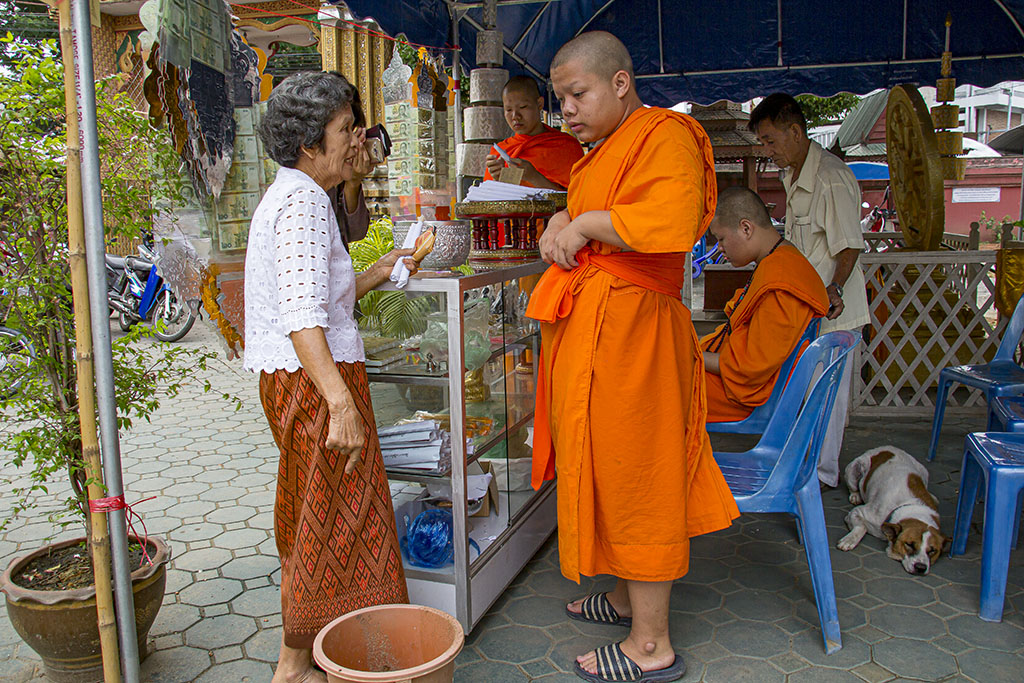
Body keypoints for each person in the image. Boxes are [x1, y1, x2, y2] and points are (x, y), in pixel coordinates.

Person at [526, 31, 739, 683]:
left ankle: (652, 644)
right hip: (598, 329)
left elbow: (670, 220)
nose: (566, 109)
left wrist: (583, 226)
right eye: (560, 98)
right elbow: (586, 208)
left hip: (638, 335)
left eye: (577, 94)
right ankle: (623, 596)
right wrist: (557, 226)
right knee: (608, 465)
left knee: (637, 472)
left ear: (621, 83)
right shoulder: (602, 151)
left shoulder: (664, 135)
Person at [243, 71, 418, 683]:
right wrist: (341, 406)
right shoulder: (300, 204)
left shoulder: (302, 197)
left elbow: (320, 303)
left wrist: (381, 271)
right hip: (316, 386)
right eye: (346, 130)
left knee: (328, 516)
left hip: (310, 379)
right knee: (329, 522)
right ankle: (295, 667)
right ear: (310, 144)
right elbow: (301, 319)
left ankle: (319, 660)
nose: (356, 141)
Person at [749, 93, 869, 487]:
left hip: (835, 312)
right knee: (806, 393)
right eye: (763, 143)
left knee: (827, 401)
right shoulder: (795, 175)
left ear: (795, 131)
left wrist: (834, 288)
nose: (768, 151)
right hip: (806, 308)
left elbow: (848, 244)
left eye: (770, 140)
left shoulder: (829, 177)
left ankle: (820, 478)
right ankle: (805, 467)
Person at [700, 187, 829, 422]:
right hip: (735, 379)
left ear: (746, 228)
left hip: (745, 396)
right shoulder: (778, 260)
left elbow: (749, 368)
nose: (719, 248)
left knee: (654, 385)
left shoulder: (782, 279)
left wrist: (694, 355)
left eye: (721, 238)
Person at [483, 75, 584, 189]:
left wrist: (534, 177)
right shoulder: (502, 151)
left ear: (540, 104)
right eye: (509, 110)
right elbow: (491, 201)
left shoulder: (566, 147)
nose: (515, 116)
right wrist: (499, 179)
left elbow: (574, 200)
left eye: (523, 107)